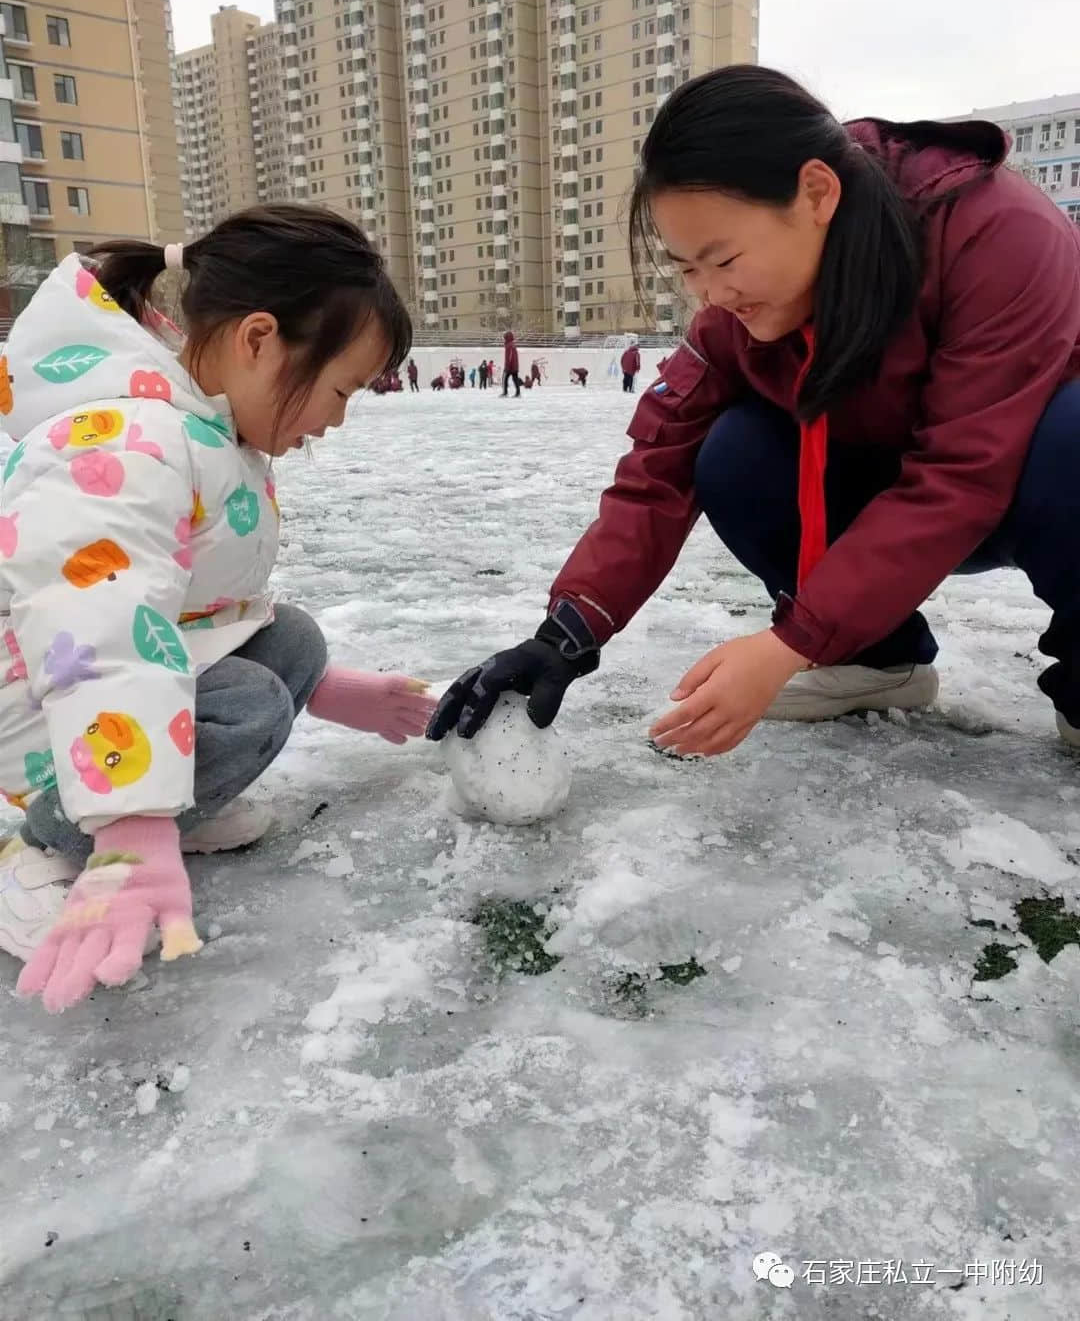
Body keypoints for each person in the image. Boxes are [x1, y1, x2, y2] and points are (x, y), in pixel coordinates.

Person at [427, 63, 1080, 763]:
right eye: (686, 269)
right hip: (891, 505)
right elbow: (657, 468)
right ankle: (873, 655)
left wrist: (790, 643)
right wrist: (564, 633)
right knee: (733, 451)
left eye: (723, 259)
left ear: (817, 194)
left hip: (1032, 491)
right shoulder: (737, 313)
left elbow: (963, 473)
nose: (709, 294)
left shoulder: (993, 232)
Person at [0, 204, 437, 1012]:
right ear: (259, 338)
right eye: (338, 389)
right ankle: (40, 844)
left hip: (87, 694)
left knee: (292, 641)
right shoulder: (127, 438)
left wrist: (332, 688)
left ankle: (167, 802)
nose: (335, 419)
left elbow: (204, 608)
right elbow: (99, 623)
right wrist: (132, 826)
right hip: (36, 714)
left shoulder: (198, 427)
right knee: (244, 706)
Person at [502, 332, 521, 397]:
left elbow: (509, 357)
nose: (504, 339)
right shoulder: (513, 344)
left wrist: (507, 367)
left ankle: (505, 393)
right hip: (514, 366)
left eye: (505, 338)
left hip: (510, 367)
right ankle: (518, 393)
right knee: (515, 379)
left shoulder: (509, 345)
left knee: (505, 379)